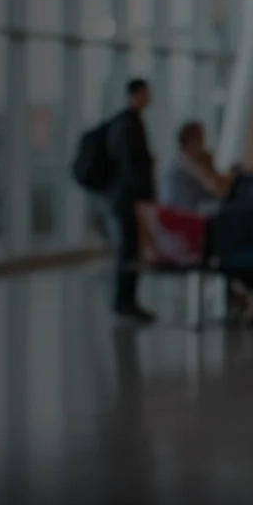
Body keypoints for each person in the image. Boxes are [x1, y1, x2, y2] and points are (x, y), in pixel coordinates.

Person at [103, 77, 157, 323]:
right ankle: (124, 301)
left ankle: (126, 301)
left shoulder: (127, 123)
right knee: (128, 251)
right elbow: (130, 166)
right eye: (146, 94)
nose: (149, 98)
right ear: (135, 94)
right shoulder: (128, 125)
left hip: (125, 197)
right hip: (127, 199)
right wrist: (141, 196)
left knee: (129, 250)